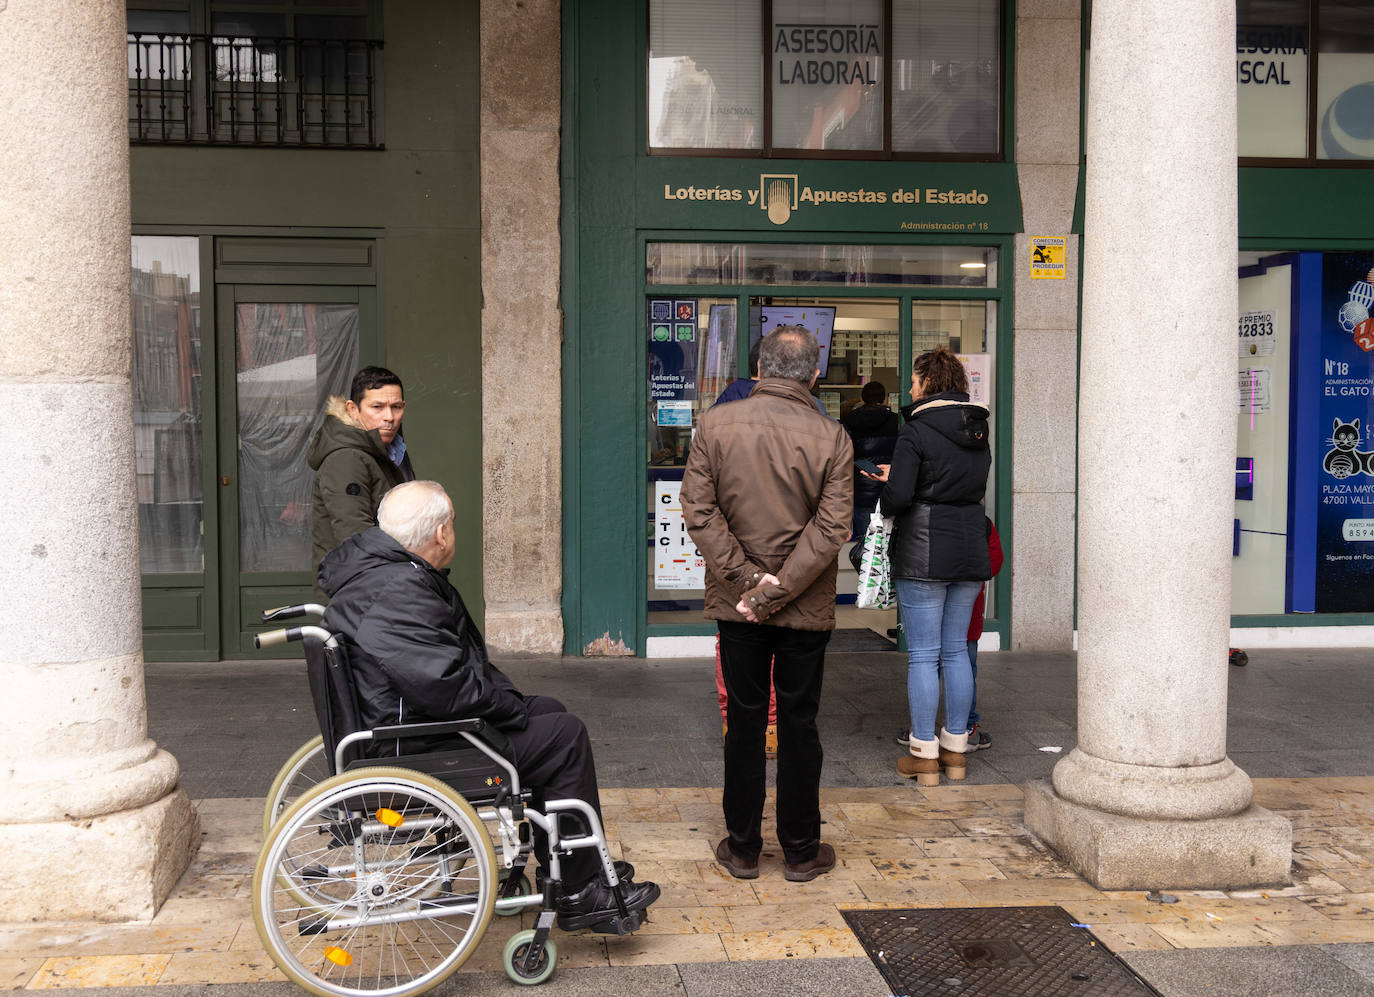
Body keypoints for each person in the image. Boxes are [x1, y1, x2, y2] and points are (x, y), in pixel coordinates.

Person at [318, 481, 660, 932]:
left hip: (411, 725)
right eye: (453, 525)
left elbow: (444, 674)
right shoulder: (399, 589)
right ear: (440, 534)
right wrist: (507, 709)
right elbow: (445, 687)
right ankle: (579, 890)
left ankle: (572, 861)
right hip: (419, 746)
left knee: (550, 709)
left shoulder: (382, 573)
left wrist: (510, 704)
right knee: (566, 736)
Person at [682, 326, 853, 883]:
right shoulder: (833, 436)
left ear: (759, 368)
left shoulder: (713, 425)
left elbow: (700, 513)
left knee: (746, 722)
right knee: (800, 723)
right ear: (815, 373)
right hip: (802, 609)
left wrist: (749, 584)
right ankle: (802, 850)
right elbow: (831, 531)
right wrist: (776, 589)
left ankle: (743, 847)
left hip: (741, 608)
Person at [869, 346, 991, 786]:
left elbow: (901, 497)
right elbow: (962, 484)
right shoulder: (978, 430)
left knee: (923, 654)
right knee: (956, 649)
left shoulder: (915, 431)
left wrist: (888, 487)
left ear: (927, 383)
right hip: (968, 546)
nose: (910, 388)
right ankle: (956, 751)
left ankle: (924, 753)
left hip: (923, 549)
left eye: (915, 380)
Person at [897, 516, 1002, 751]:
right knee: (962, 663)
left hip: (929, 595)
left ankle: (922, 737)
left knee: (925, 663)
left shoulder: (923, 519)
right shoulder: (980, 523)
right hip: (967, 615)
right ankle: (963, 733)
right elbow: (993, 562)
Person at [308, 366, 416, 589]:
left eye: (396, 407)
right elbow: (356, 538)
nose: (389, 417)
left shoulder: (391, 449)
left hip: (385, 584)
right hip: (358, 594)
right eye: (377, 407)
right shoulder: (346, 458)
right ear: (352, 409)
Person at [842, 380, 900, 565]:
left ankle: (862, 588)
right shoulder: (895, 421)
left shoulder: (850, 421)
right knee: (886, 548)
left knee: (862, 548)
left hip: (859, 493)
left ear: (862, 398)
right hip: (887, 492)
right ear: (884, 400)